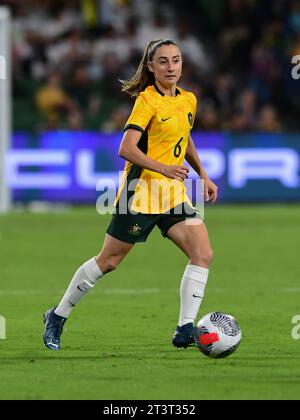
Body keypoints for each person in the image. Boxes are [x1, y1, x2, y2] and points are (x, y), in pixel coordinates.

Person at [43, 39, 218, 351]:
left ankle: (184, 328)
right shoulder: (146, 101)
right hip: (140, 193)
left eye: (176, 60)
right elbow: (126, 148)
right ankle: (57, 315)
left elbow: (184, 136)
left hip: (174, 194)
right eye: (163, 61)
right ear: (150, 67)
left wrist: (203, 174)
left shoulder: (188, 99)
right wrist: (163, 168)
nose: (171, 67)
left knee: (202, 253)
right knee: (109, 260)